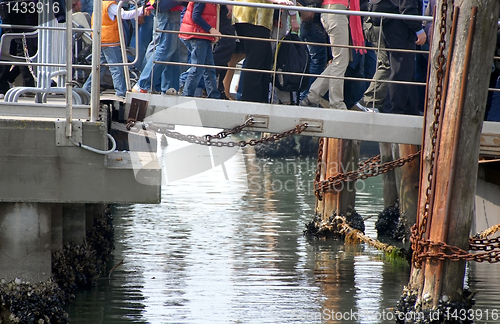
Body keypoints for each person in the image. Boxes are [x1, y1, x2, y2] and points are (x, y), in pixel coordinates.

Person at [299, 0, 365, 110]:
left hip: (336, 10)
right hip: (336, 10)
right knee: (340, 61)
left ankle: (312, 96)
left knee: (340, 61)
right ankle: (336, 104)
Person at [83, 1, 148, 98]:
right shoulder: (110, 5)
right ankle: (121, 92)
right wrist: (140, 10)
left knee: (99, 67)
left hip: (101, 39)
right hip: (110, 42)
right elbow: (124, 14)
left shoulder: (100, 3)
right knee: (116, 68)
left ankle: (87, 88)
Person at [232, 0, 294, 103]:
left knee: (264, 60)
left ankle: (260, 100)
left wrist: (276, 15)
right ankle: (250, 100)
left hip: (262, 18)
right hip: (250, 15)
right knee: (255, 59)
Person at [380, 0, 426, 115]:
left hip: (394, 25)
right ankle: (392, 108)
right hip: (400, 27)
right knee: (401, 68)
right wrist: (419, 29)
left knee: (406, 69)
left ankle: (410, 109)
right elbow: (407, 8)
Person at [132, 0, 185, 94]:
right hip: (168, 9)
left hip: (167, 8)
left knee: (172, 50)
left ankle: (170, 89)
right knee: (165, 48)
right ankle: (143, 85)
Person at [178, 1, 222, 98]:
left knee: (208, 68)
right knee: (199, 68)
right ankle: (187, 94)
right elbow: (196, 16)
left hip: (200, 35)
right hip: (198, 35)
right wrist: (211, 29)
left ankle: (214, 95)